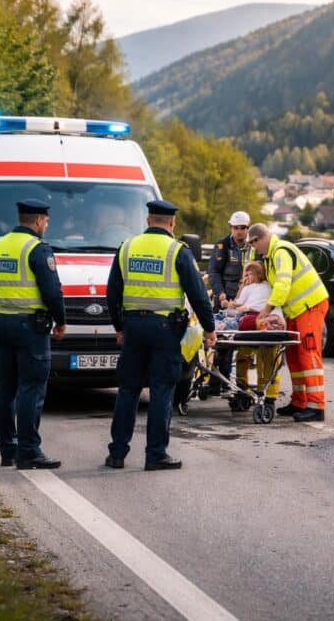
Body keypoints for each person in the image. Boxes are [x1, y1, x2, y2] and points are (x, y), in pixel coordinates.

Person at [105, 199, 216, 471]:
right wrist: (209, 328)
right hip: (165, 330)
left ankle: (116, 454)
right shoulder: (177, 251)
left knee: (128, 390)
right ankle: (155, 455)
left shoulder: (127, 247)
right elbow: (198, 295)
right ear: (172, 222)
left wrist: (118, 327)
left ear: (147, 220)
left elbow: (112, 293)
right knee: (161, 391)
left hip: (132, 327)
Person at [0, 198, 67, 469]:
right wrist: (61, 321)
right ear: (39, 221)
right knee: (31, 387)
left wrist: (4, 309)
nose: (46, 226)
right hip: (31, 327)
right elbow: (52, 291)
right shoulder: (37, 249)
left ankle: (8, 450)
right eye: (46, 222)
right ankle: (29, 450)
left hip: (4, 324)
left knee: (6, 387)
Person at [247, 223, 329, 422]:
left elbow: (283, 285)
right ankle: (299, 401)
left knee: (308, 354)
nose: (254, 249)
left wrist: (266, 311)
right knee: (293, 355)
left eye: (253, 244)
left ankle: (316, 405)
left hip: (309, 306)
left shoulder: (281, 252)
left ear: (259, 239)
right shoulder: (271, 256)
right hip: (296, 310)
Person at [208, 210, 256, 392]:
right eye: (237, 228)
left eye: (243, 228)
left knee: (243, 341)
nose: (240, 232)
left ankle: (240, 382)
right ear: (231, 228)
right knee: (222, 344)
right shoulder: (223, 246)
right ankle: (218, 381)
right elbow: (214, 272)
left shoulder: (253, 246)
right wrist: (220, 295)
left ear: (248, 228)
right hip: (225, 299)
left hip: (245, 299)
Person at [230, 262, 284, 401]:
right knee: (268, 358)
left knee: (243, 355)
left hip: (252, 323)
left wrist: (242, 287)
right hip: (270, 321)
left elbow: (237, 303)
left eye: (248, 275)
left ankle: (242, 388)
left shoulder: (248, 288)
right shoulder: (270, 286)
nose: (247, 278)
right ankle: (267, 393)